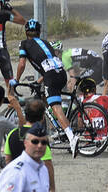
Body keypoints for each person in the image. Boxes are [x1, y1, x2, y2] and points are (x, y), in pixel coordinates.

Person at [10, 19, 80, 158]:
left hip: (51, 76)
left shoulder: (24, 43)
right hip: (60, 74)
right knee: (45, 100)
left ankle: (71, 137)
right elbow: (49, 63)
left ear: (26, 32)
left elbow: (22, 63)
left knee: (56, 107)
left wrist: (16, 80)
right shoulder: (46, 42)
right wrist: (39, 80)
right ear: (39, 32)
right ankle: (47, 133)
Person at [4, 99, 55, 192]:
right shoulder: (41, 137)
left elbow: (7, 159)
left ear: (26, 115)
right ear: (43, 117)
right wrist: (52, 188)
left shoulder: (12, 134)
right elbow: (47, 163)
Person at [0, 122, 50, 191]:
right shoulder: (16, 172)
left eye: (44, 142)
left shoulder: (43, 169)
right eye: (35, 141)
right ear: (25, 143)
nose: (40, 146)